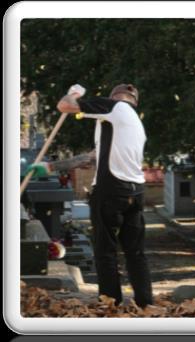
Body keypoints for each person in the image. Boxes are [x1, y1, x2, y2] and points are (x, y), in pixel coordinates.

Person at [28, 83, 153, 308]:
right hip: (136, 192)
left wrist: (75, 94)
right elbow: (92, 156)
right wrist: (51, 168)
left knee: (105, 251)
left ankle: (111, 303)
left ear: (113, 97)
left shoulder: (113, 107)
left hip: (110, 190)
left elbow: (65, 106)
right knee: (135, 252)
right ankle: (146, 303)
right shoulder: (132, 124)